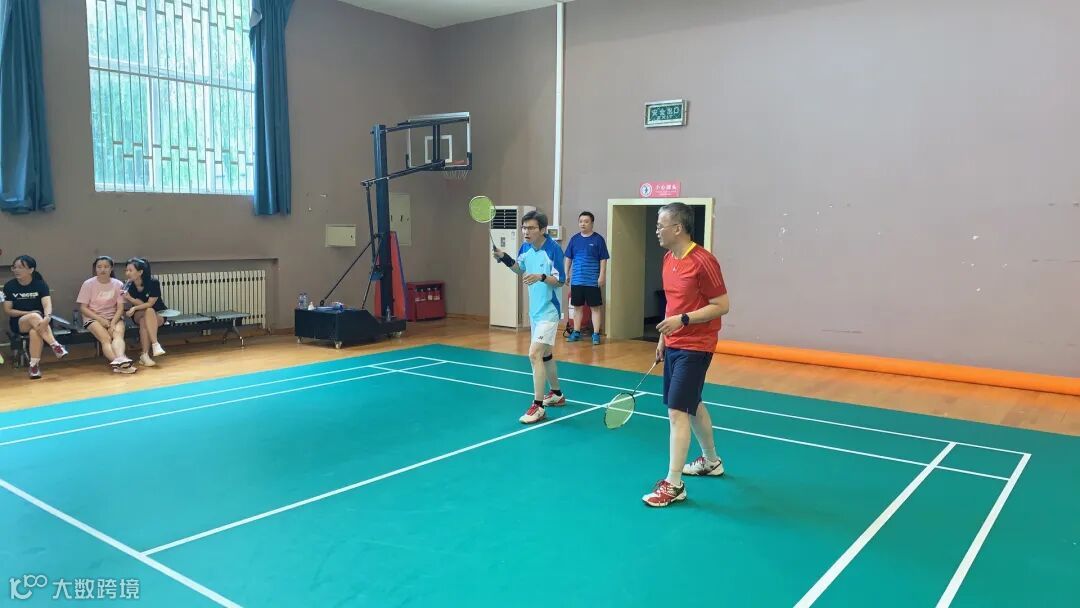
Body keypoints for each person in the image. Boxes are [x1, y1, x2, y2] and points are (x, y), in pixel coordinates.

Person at [642, 202, 730, 508]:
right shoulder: (668, 259)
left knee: (677, 411)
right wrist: (663, 337)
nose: (656, 231)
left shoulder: (703, 261)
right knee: (692, 405)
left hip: (697, 344)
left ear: (677, 228)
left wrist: (684, 320)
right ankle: (711, 461)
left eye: (660, 226)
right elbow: (672, 302)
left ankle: (674, 484)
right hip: (675, 343)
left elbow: (722, 305)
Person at [491, 210, 568, 423]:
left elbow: (561, 280)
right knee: (546, 355)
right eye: (524, 227)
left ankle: (538, 406)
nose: (526, 231)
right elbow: (520, 269)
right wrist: (504, 258)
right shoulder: (525, 247)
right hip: (535, 312)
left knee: (534, 355)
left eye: (531, 228)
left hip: (549, 311)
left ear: (542, 230)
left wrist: (541, 277)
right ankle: (557, 394)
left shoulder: (553, 250)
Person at [2, 255, 68, 379]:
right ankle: (55, 345)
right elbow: (8, 310)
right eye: (14, 267)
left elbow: (47, 305)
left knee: (34, 332)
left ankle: (34, 366)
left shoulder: (40, 285)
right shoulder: (10, 286)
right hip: (19, 322)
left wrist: (47, 318)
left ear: (31, 270)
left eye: (20, 267)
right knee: (33, 316)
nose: (16, 270)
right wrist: (28, 313)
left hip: (42, 322)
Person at [77, 256, 136, 373]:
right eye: (99, 267)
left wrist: (112, 323)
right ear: (95, 268)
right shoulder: (88, 284)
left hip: (114, 317)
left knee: (118, 335)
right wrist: (101, 320)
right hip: (93, 317)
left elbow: (120, 308)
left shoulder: (118, 284)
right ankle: (121, 364)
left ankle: (121, 360)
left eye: (106, 267)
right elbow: (83, 308)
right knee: (106, 338)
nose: (102, 270)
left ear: (111, 268)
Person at [564, 211, 610, 345]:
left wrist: (602, 275)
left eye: (586, 221)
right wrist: (566, 273)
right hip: (577, 280)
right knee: (577, 308)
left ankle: (596, 334)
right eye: (580, 221)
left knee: (595, 308)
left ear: (592, 223)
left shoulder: (598, 239)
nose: (582, 224)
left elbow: (603, 259)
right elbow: (568, 258)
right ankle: (576, 332)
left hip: (592, 281)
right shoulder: (574, 239)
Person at [123, 258, 168, 367]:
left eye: (130, 270)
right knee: (147, 312)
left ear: (140, 272)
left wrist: (134, 308)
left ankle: (145, 355)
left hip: (158, 313)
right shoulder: (129, 285)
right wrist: (130, 300)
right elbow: (141, 303)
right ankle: (155, 344)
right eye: (126, 270)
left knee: (146, 317)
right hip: (139, 313)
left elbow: (150, 303)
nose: (127, 273)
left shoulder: (153, 283)